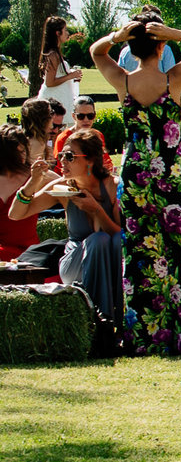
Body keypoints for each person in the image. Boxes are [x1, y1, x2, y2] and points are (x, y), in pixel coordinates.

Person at [95, 13, 181, 357]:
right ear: (161, 45)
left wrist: (116, 36)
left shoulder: (122, 82)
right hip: (169, 174)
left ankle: (146, 335)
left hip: (136, 176)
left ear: (132, 47)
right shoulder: (174, 80)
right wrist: (171, 32)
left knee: (140, 253)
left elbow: (96, 52)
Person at [23, 128, 123, 334]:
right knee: (98, 240)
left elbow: (121, 235)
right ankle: (99, 320)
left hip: (110, 257)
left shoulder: (113, 186)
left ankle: (120, 319)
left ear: (90, 160)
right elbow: (17, 213)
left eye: (69, 156)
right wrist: (32, 181)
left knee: (109, 240)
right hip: (75, 260)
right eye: (60, 156)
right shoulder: (62, 187)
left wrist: (96, 210)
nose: (62, 162)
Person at [0, 127, 42, 263]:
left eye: (23, 151)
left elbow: (63, 182)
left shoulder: (34, 174)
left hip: (28, 251)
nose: (22, 156)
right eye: (16, 153)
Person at [33, 15, 81, 112]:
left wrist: (73, 76)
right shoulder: (53, 55)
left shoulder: (56, 53)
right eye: (65, 30)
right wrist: (70, 76)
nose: (67, 33)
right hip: (54, 98)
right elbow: (49, 82)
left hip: (61, 96)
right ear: (58, 33)